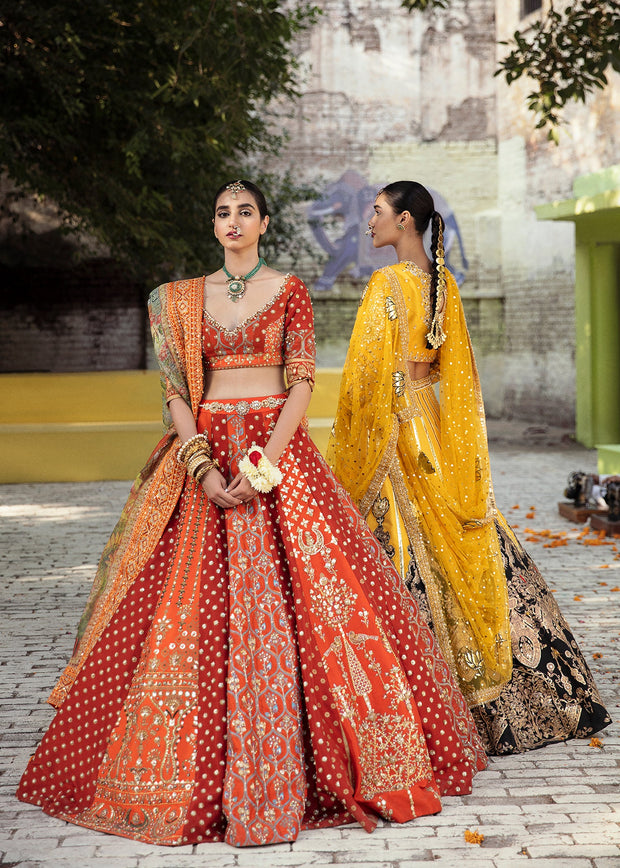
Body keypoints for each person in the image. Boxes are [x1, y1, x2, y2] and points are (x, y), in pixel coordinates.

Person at [17, 180, 488, 848]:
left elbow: (300, 380)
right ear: (212, 225)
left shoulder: (290, 289)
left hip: (278, 457)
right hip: (206, 458)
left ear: (264, 222)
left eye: (244, 212)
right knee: (183, 614)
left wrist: (265, 463)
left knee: (326, 604)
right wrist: (203, 467)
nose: (232, 221)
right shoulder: (178, 299)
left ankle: (326, 765)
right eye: (221, 213)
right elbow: (177, 390)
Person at [327, 180, 611, 756]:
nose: (368, 222)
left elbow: (362, 382)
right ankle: (525, 695)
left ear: (405, 221)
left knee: (406, 547)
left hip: (396, 428)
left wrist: (350, 448)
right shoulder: (443, 282)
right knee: (469, 539)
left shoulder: (385, 284)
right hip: (432, 422)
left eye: (377, 212)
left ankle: (419, 707)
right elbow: (458, 377)